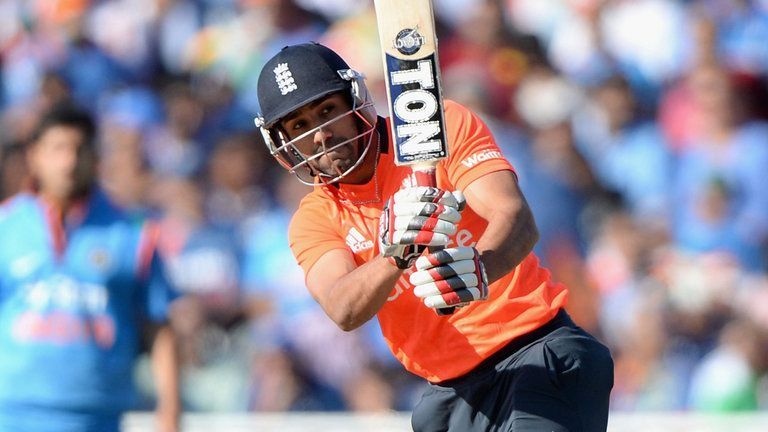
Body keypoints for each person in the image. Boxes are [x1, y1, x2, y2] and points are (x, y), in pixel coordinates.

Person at [254, 42, 614, 431]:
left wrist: (481, 268)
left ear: (354, 102)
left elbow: (516, 218)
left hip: (535, 353)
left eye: (327, 111)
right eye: (299, 126)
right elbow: (344, 308)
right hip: (448, 395)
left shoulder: (436, 127)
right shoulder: (314, 218)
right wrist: (395, 254)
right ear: (282, 143)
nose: (320, 135)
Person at [0, 105, 180, 432]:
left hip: (96, 417)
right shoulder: (5, 226)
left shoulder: (134, 234)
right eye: (57, 149)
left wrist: (169, 414)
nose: (68, 162)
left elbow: (159, 329)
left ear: (95, 157)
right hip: (11, 413)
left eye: (78, 149)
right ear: (34, 156)